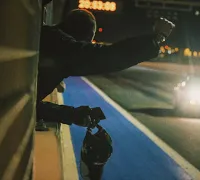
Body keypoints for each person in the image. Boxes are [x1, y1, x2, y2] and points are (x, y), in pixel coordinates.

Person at [37, 9, 175, 127]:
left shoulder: (45, 36)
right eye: (87, 42)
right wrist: (156, 39)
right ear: (82, 39)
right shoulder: (60, 47)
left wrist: (73, 114)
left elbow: (33, 106)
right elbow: (106, 56)